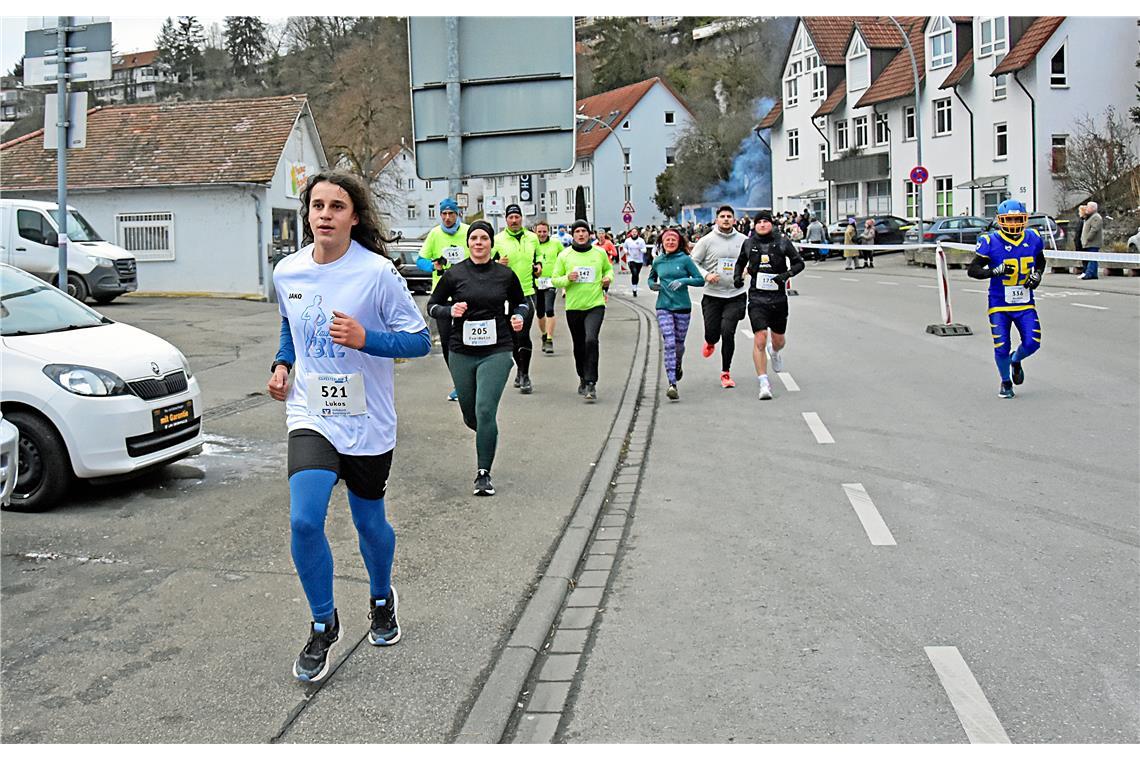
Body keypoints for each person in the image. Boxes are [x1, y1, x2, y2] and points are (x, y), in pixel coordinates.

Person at [268, 170, 432, 683]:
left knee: (369, 524)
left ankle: (381, 596)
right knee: (304, 520)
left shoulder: (377, 273)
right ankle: (323, 623)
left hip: (367, 422)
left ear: (354, 217)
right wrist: (282, 363)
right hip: (311, 414)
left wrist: (366, 339)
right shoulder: (288, 272)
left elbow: (420, 340)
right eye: (317, 205)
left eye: (336, 206)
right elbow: (291, 324)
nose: (325, 215)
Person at [427, 220, 528, 494]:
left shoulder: (504, 275)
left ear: (491, 243)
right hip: (461, 351)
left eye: (484, 238)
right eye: (474, 238)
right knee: (472, 417)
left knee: (485, 410)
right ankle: (487, 433)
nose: (479, 242)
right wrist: (450, 311)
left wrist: (519, 316)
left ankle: (483, 474)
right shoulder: (454, 274)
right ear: (468, 243)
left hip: (497, 349)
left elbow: (522, 302)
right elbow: (432, 305)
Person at [967, 199, 1046, 398]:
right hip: (999, 303)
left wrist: (1037, 275)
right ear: (1000, 220)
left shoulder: (1033, 237)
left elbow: (1040, 261)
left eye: (1017, 219)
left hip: (1025, 303)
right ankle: (1005, 382)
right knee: (1001, 346)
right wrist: (994, 271)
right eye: (1009, 219)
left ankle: (1015, 360)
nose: (1013, 223)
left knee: (1033, 343)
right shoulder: (991, 241)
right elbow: (973, 270)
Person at [734, 210, 805, 401]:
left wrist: (786, 275)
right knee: (760, 339)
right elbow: (740, 263)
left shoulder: (782, 242)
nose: (762, 225)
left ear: (771, 224)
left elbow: (799, 264)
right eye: (759, 222)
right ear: (754, 225)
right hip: (757, 298)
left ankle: (774, 352)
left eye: (766, 222)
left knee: (779, 340)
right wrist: (737, 277)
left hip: (778, 299)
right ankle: (763, 382)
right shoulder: (749, 243)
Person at [551, 219, 613, 401]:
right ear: (573, 235)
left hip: (595, 305)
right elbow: (555, 279)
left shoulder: (599, 253)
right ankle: (582, 376)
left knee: (591, 340)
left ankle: (591, 381)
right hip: (574, 307)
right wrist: (567, 279)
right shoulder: (565, 255)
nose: (581, 234)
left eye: (584, 231)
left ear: (589, 234)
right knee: (579, 345)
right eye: (577, 231)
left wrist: (608, 279)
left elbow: (609, 270)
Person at [416, 197, 469, 401]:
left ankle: (470, 379)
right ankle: (458, 382)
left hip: (466, 291)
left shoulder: (467, 231)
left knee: (467, 337)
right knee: (447, 341)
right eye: (444, 214)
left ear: (457, 214)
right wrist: (433, 265)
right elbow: (420, 260)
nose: (447, 218)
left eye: (451, 213)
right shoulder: (435, 234)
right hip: (443, 294)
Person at [690, 205, 748, 388]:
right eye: (722, 216)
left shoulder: (744, 240)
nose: (726, 219)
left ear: (734, 220)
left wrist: (747, 269)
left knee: (728, 331)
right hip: (712, 295)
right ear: (716, 220)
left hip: (735, 294)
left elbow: (752, 260)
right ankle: (710, 342)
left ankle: (725, 373)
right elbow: (693, 262)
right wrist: (706, 275)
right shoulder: (706, 241)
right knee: (713, 333)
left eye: (729, 216)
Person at [648, 228, 705, 400]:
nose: (670, 242)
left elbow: (700, 280)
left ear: (679, 242)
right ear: (662, 243)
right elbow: (651, 278)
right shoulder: (658, 261)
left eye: (674, 240)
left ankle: (677, 363)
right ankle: (672, 383)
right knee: (669, 343)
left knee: (678, 345)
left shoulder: (685, 260)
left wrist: (683, 281)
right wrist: (652, 285)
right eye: (667, 240)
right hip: (663, 306)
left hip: (682, 307)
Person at [493, 204, 541, 394]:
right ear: (506, 219)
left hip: (527, 293)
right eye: (511, 217)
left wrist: (539, 266)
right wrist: (497, 263)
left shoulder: (532, 238)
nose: (514, 220)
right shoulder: (498, 240)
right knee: (513, 337)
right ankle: (520, 370)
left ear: (521, 218)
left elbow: (538, 258)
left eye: (517, 217)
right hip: (506, 296)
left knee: (523, 334)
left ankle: (525, 375)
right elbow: (487, 264)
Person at [532, 220, 563, 354]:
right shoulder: (532, 245)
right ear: (535, 232)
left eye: (544, 231)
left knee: (549, 309)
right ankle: (544, 334)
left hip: (551, 281)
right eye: (539, 231)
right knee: (540, 312)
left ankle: (549, 339)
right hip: (536, 282)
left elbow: (564, 257)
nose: (542, 234)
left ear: (548, 232)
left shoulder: (556, 243)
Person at [622, 226, 649, 297]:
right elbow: (624, 247)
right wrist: (626, 251)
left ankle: (635, 286)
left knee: (637, 274)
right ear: (631, 233)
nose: (634, 233)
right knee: (634, 272)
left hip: (639, 260)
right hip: (631, 259)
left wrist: (640, 249)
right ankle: (634, 288)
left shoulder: (641, 240)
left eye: (635, 232)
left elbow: (645, 250)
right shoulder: (628, 240)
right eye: (633, 232)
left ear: (637, 233)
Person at [1080, 201, 1103, 280]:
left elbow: (1094, 229)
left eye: (1088, 207)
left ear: (1093, 208)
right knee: (1092, 258)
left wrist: (1088, 238)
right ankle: (1094, 274)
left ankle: (1089, 274)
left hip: (1093, 242)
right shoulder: (1089, 217)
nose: (1086, 208)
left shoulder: (1096, 217)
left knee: (1092, 258)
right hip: (1088, 243)